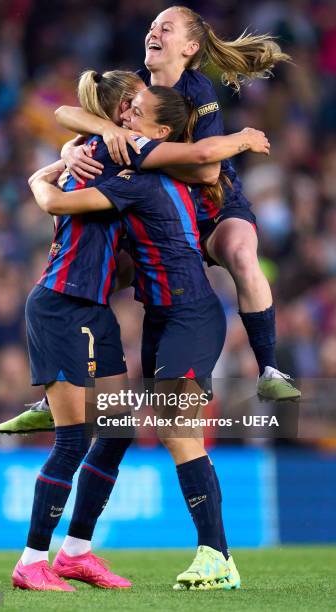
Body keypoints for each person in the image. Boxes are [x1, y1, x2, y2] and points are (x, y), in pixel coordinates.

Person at [11, 70, 268, 592]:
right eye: (124, 110)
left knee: (157, 430)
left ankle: (213, 555)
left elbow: (200, 158)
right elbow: (67, 139)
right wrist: (61, 159)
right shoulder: (111, 156)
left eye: (137, 112)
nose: (128, 118)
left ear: (156, 135)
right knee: (97, 433)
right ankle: (45, 559)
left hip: (180, 314)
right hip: (81, 308)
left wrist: (49, 171)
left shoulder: (132, 167)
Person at [56, 5, 300, 403]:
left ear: (188, 47)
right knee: (95, 272)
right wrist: (84, 140)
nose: (153, 32)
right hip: (162, 216)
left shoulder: (198, 91)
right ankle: (61, 380)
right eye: (153, 26)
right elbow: (66, 112)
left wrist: (143, 153)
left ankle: (269, 368)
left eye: (165, 28)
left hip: (212, 206)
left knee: (239, 251)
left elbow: (207, 173)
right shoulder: (133, 88)